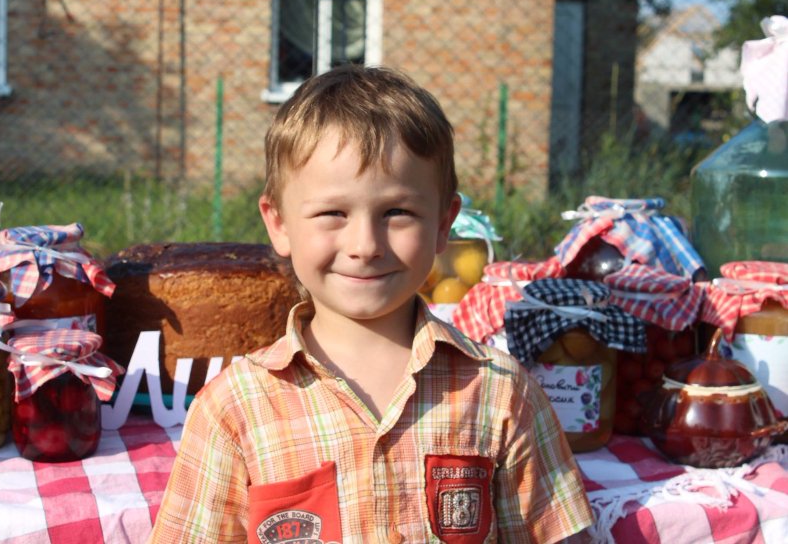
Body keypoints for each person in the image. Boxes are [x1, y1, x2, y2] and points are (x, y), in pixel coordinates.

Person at [149, 65, 594, 543]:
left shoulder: (501, 392)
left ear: (443, 224)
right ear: (278, 223)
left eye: (397, 212)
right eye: (332, 213)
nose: (365, 245)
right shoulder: (233, 410)